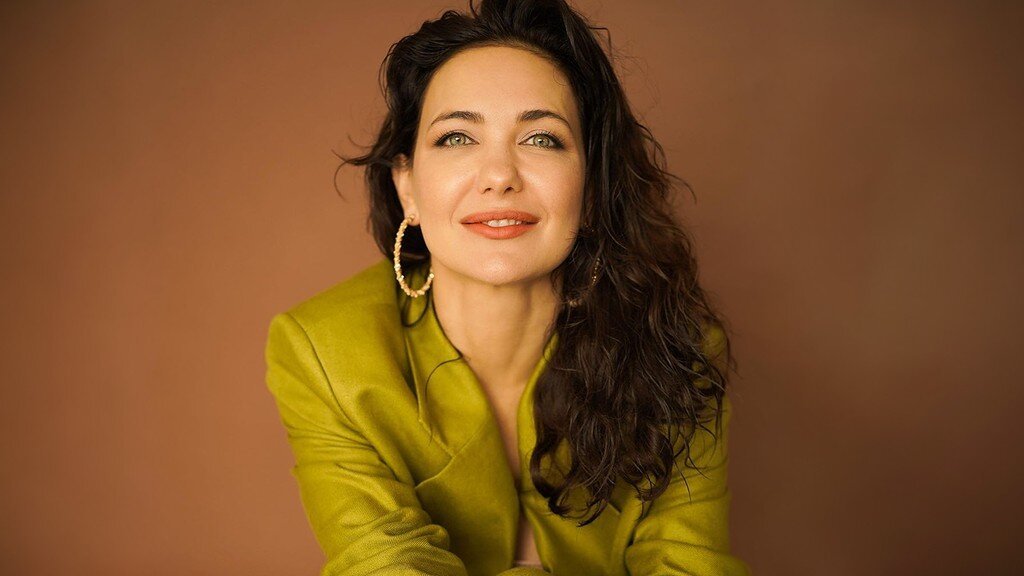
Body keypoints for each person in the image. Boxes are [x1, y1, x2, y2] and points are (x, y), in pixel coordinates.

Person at [264, 0, 751, 574]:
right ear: (407, 187)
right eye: (456, 138)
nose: (499, 175)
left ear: (592, 189)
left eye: (542, 139)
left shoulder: (677, 344)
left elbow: (688, 563)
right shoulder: (321, 351)